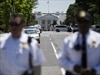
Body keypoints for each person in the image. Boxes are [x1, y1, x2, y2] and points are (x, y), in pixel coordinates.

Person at [58, 10, 100, 75]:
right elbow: (61, 59)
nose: (83, 24)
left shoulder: (98, 39)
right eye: (80, 21)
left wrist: (94, 70)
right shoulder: (69, 40)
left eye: (85, 21)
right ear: (77, 23)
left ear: (90, 22)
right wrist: (73, 67)